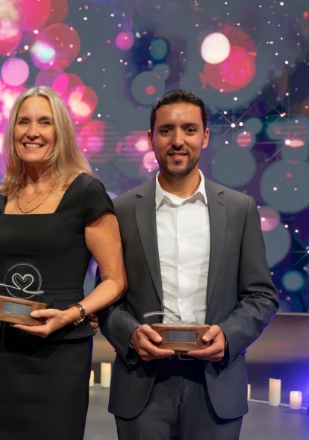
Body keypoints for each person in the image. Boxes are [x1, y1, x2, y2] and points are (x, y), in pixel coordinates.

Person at [99, 89, 279, 439]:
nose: (178, 141)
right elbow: (107, 297)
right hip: (143, 387)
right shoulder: (120, 211)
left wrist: (227, 336)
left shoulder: (239, 209)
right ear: (150, 139)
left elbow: (261, 296)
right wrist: (131, 334)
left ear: (205, 136)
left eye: (190, 130)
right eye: (166, 130)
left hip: (216, 386)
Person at [0, 86, 126, 439]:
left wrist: (73, 313)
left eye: (44, 122)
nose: (32, 131)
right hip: (1, 350)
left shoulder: (86, 192)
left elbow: (114, 279)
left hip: (60, 352)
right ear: (12, 131)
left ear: (60, 132)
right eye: (24, 122)